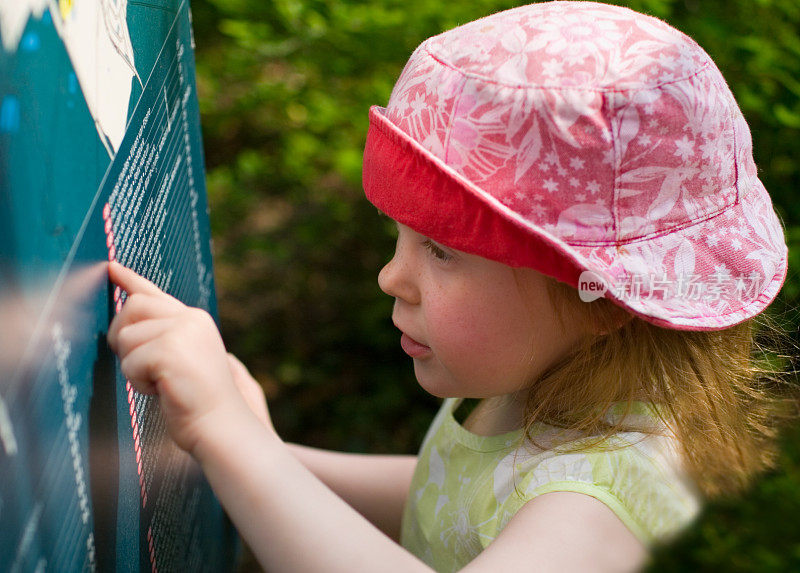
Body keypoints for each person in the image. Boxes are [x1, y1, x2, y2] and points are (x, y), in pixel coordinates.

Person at [107, 2, 792, 571]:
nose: (390, 276)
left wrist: (232, 439)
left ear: (603, 300)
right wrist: (271, 456)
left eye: (439, 249)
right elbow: (450, 497)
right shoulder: (538, 383)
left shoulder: (606, 501)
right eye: (398, 236)